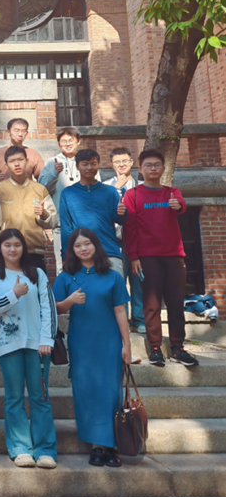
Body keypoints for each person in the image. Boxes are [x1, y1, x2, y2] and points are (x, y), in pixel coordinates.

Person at [54, 228, 131, 468]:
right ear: (72, 250)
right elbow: (56, 308)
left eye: (87, 243)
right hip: (81, 343)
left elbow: (120, 311)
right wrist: (70, 301)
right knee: (85, 391)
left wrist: (127, 344)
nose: (83, 248)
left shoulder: (113, 276)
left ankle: (111, 446)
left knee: (110, 392)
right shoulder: (66, 277)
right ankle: (96, 447)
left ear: (96, 245)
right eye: (77, 246)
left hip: (109, 342)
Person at [0, 229, 57, 469]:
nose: (12, 249)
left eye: (17, 244)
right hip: (8, 345)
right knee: (14, 397)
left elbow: (48, 307)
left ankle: (45, 449)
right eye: (7, 245)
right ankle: (20, 448)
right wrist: (13, 294)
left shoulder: (37, 274)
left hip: (38, 345)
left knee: (40, 397)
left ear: (23, 247)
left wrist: (47, 339)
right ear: (0, 248)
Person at [122, 149, 198, 367]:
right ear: (140, 169)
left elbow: (181, 205)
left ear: (163, 168)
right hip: (147, 258)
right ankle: (155, 348)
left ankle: (178, 348)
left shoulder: (172, 192)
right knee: (151, 304)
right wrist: (134, 257)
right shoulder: (133, 195)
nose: (153, 168)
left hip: (174, 257)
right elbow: (129, 228)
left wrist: (178, 206)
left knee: (175, 303)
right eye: (148, 165)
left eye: (157, 165)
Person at [0, 147, 56, 276]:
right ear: (6, 165)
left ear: (27, 161)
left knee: (37, 286)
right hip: (9, 253)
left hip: (34, 251)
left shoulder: (39, 189)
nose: (17, 164)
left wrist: (44, 215)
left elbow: (53, 221)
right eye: (12, 161)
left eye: (20, 160)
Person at [38, 127, 96, 273]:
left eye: (71, 140)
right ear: (58, 144)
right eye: (64, 141)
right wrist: (54, 172)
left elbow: (96, 187)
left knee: (87, 262)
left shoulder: (87, 161)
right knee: (62, 263)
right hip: (61, 222)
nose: (68, 144)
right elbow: (41, 188)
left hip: (85, 220)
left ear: (78, 141)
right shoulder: (51, 162)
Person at [58, 149, 124, 274]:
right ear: (77, 166)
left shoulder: (109, 191)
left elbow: (120, 220)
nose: (89, 167)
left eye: (93, 163)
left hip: (109, 251)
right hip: (81, 255)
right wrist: (66, 257)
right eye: (85, 164)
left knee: (116, 286)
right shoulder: (68, 194)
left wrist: (123, 212)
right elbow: (66, 229)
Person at [104, 147, 145, 334]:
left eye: (125, 161)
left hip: (138, 242)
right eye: (117, 162)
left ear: (131, 163)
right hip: (114, 241)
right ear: (111, 165)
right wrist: (115, 189)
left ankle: (140, 319)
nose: (121, 165)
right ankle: (122, 321)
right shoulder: (105, 187)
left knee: (138, 282)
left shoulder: (141, 186)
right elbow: (102, 210)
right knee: (118, 282)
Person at [0, 118, 45, 185]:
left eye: (23, 131)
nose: (20, 134)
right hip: (5, 191)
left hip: (27, 190)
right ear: (8, 132)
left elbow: (42, 177)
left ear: (27, 133)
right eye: (16, 130)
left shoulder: (33, 154)